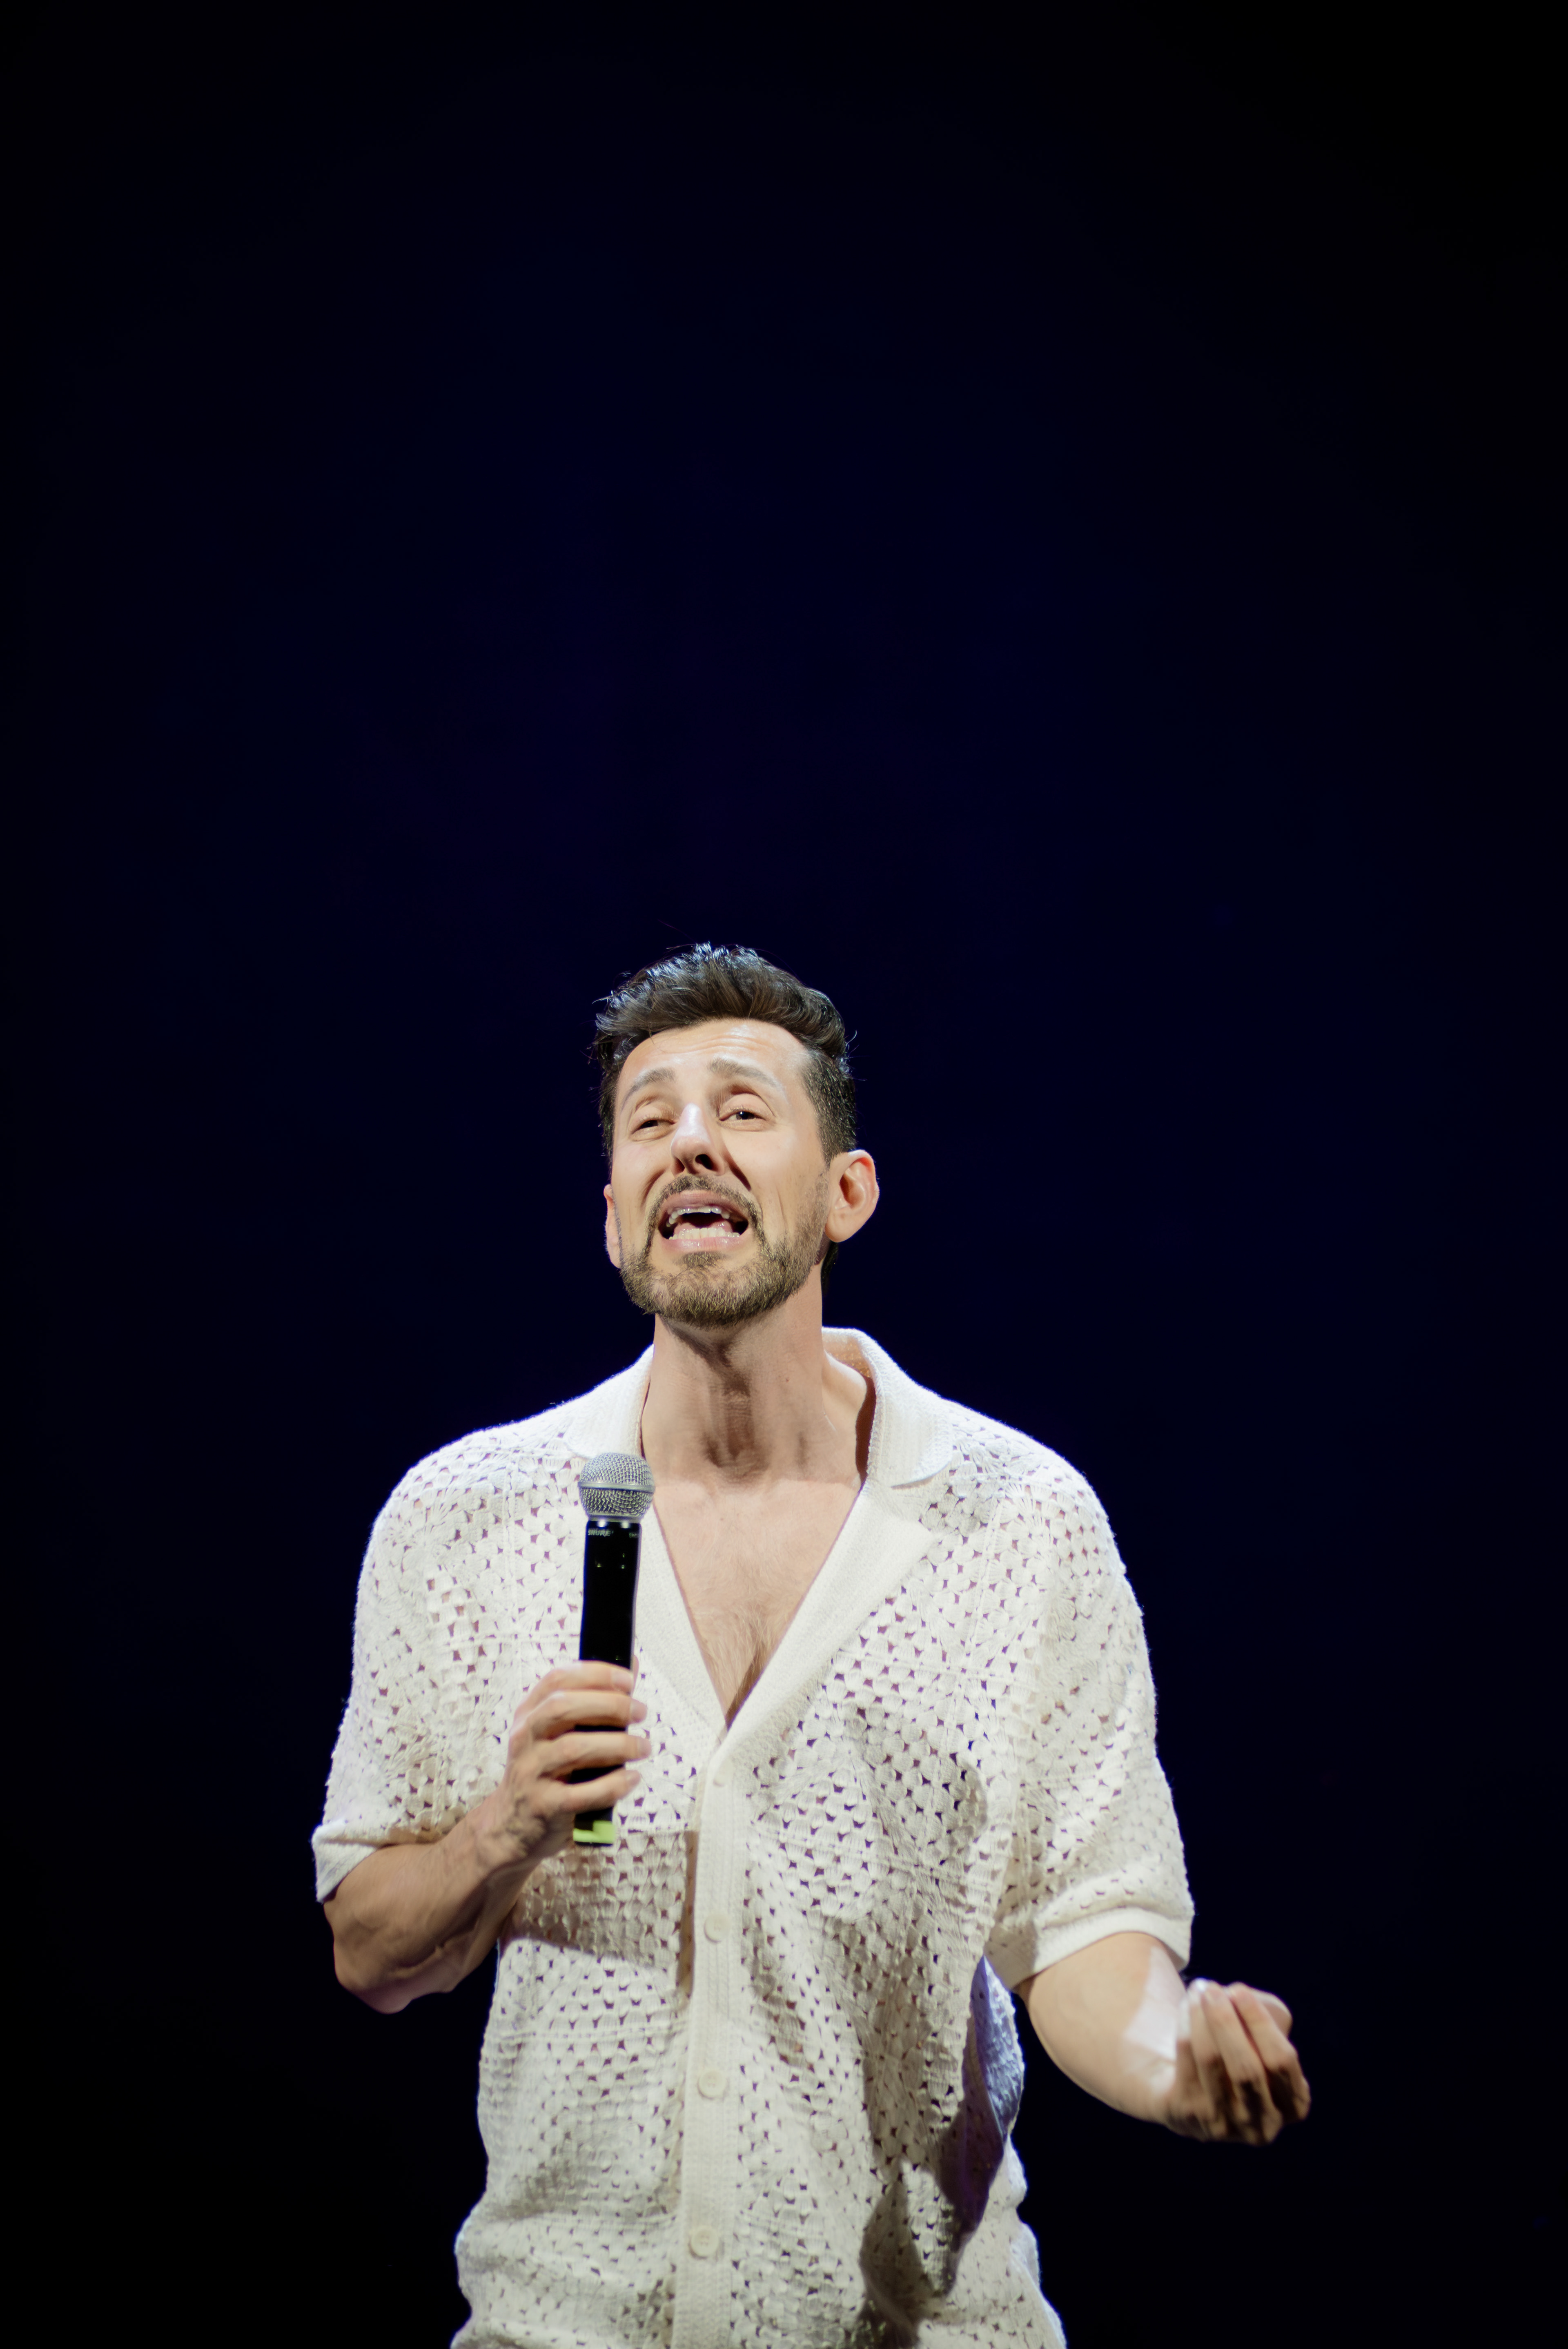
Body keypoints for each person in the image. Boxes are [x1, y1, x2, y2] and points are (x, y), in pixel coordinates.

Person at [315, 945, 1309, 2349]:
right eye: (651, 1120)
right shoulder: (466, 1518)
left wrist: (1174, 2064)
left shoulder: (1016, 1523)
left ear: (848, 1193)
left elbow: (1085, 1924)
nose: (690, 1143)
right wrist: (501, 1831)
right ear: (613, 1216)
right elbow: (370, 1950)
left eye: (741, 1108)